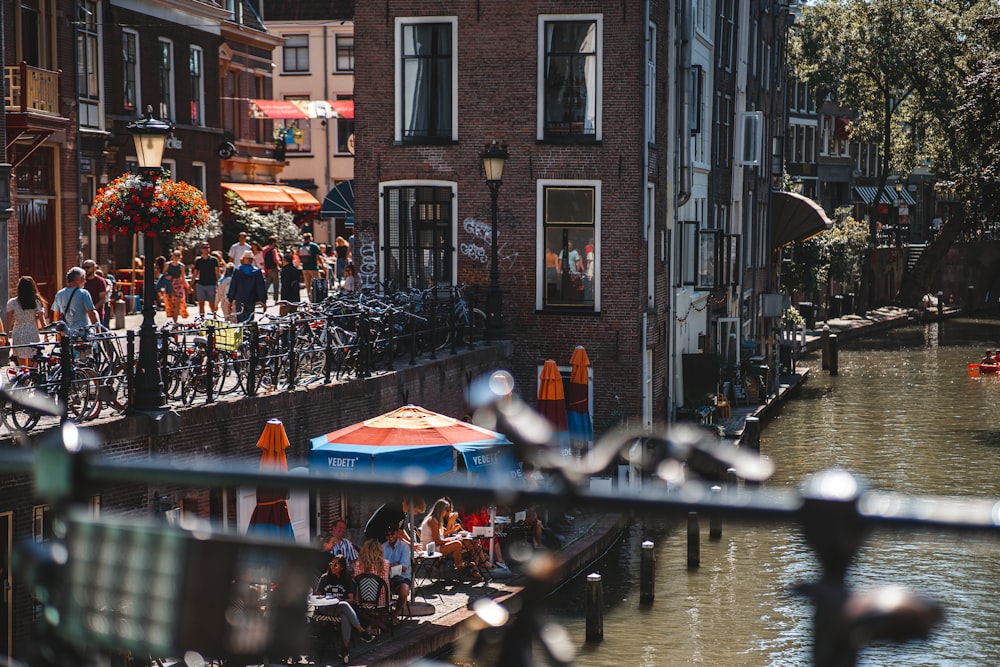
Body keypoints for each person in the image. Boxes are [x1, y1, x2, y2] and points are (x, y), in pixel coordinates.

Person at [313, 555, 376, 662]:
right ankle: (361, 631)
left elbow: (351, 599)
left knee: (344, 615)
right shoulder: (325, 578)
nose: (332, 567)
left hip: (340, 609)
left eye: (335, 565)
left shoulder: (347, 579)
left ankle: (345, 649)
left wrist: (340, 599)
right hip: (326, 608)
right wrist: (331, 598)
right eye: (331, 564)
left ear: (342, 567)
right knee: (344, 607)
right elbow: (318, 596)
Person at [419, 498, 484, 579]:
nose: (445, 514)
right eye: (446, 511)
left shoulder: (435, 520)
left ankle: (475, 569)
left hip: (434, 545)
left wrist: (453, 534)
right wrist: (452, 539)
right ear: (442, 511)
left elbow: (442, 535)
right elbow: (438, 541)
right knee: (457, 544)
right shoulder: (433, 521)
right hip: (430, 549)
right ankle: (459, 565)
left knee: (475, 544)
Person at [6, 276, 47, 367]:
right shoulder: (36, 302)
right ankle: (33, 379)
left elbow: (8, 323)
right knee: (33, 366)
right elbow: (42, 321)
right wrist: (46, 335)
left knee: (23, 368)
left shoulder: (12, 303)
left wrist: (6, 339)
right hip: (32, 333)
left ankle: (24, 380)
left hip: (18, 333)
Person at [353, 538, 392, 631]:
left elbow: (355, 582)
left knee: (359, 609)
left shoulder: (358, 565)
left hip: (362, 600)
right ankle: (377, 623)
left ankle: (373, 622)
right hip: (381, 600)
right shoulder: (386, 564)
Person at [51, 267, 100, 336]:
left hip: (66, 334)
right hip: (82, 333)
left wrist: (58, 334)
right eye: (83, 278)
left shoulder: (59, 294)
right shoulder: (83, 293)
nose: (85, 281)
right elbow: (91, 313)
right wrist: (98, 332)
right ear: (77, 279)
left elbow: (56, 315)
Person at [382, 527, 412, 623]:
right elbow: (381, 565)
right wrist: (395, 564)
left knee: (404, 590)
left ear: (397, 534)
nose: (390, 536)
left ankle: (396, 613)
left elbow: (403, 568)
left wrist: (389, 566)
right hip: (387, 576)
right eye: (387, 534)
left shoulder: (404, 547)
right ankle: (384, 614)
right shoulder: (383, 547)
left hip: (402, 577)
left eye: (392, 534)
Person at [226, 250, 266, 323]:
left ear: (242, 259)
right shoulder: (257, 272)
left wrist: (230, 300)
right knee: (250, 320)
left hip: (240, 299)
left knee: (240, 320)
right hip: (251, 299)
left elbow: (233, 286)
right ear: (252, 260)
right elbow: (260, 287)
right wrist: (263, 300)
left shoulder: (237, 271)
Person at [191, 243, 221, 317]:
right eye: (204, 248)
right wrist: (191, 285)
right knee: (201, 303)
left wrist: (219, 284)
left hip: (211, 284)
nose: (206, 249)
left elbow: (217, 273)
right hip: (201, 284)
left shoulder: (214, 260)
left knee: (212, 304)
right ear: (201, 249)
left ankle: (214, 319)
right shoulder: (198, 260)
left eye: (208, 247)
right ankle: (202, 320)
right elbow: (195, 273)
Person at [162, 250, 190, 323]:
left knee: (177, 302)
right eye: (175, 255)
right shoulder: (167, 264)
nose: (176, 257)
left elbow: (183, 278)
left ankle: (175, 321)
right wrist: (166, 277)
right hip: (169, 284)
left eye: (178, 255)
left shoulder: (181, 266)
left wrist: (188, 287)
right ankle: (174, 318)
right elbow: (162, 275)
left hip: (178, 285)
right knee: (171, 303)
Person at [82, 260, 108, 327]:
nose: (85, 269)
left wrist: (93, 309)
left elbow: (102, 299)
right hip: (83, 315)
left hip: (97, 314)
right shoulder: (82, 281)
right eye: (83, 267)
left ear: (94, 268)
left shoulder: (100, 281)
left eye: (88, 267)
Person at [298, 232, 322, 301]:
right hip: (313, 267)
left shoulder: (301, 246)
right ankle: (317, 298)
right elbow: (318, 257)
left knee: (308, 285)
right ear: (310, 238)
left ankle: (310, 299)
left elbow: (299, 255)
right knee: (317, 284)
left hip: (305, 268)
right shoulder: (314, 246)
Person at [261, 235, 281, 304]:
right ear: (274, 242)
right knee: (276, 285)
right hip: (274, 269)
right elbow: (276, 260)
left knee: (266, 285)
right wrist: (280, 263)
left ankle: (262, 298)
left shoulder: (264, 250)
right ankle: (276, 299)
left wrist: (266, 270)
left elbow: (264, 260)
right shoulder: (273, 250)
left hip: (267, 269)